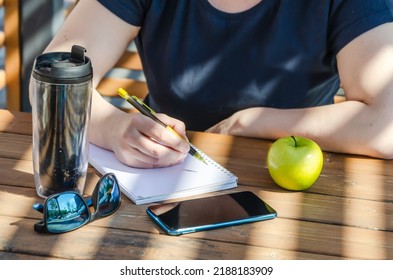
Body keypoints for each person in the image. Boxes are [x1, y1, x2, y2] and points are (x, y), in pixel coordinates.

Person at [35, 0, 393, 168]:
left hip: (294, 184)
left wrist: (249, 123)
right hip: (163, 172)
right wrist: (113, 127)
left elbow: (386, 124)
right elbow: (53, 80)